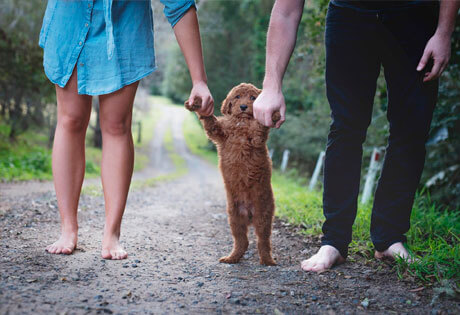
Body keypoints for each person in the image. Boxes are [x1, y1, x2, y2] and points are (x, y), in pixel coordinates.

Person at [253, 0, 460, 272]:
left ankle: (390, 239)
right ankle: (334, 242)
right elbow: (286, 9)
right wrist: (271, 85)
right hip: (349, 17)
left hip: (416, 16)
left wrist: (443, 32)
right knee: (345, 127)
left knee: (411, 129)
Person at [40, 0, 214, 260]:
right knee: (71, 119)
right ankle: (68, 229)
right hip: (70, 22)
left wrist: (198, 79)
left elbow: (179, 5)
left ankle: (111, 233)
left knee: (116, 124)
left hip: (124, 28)